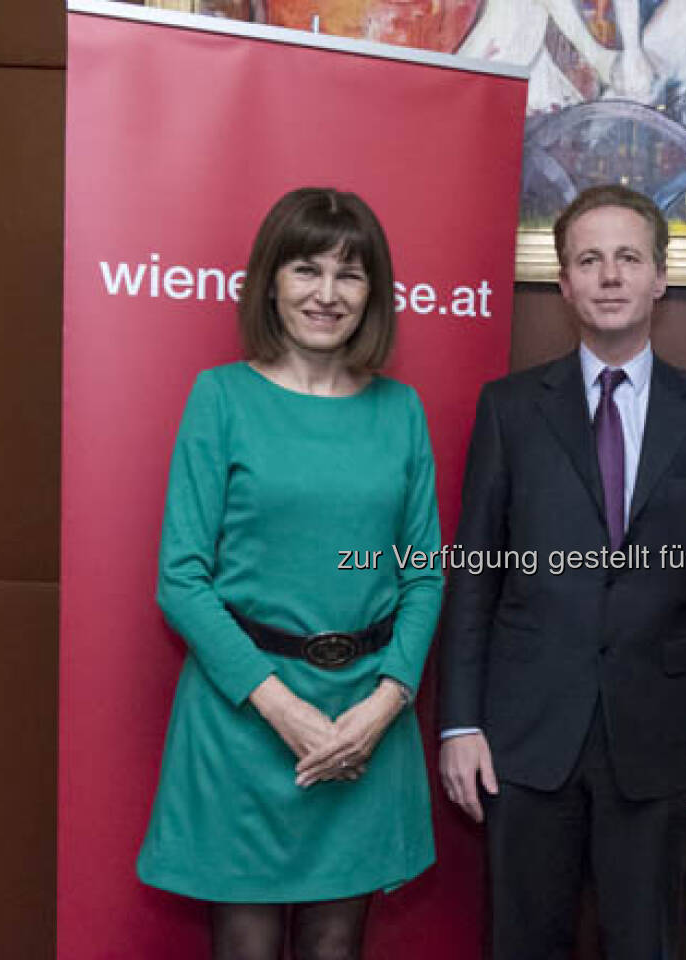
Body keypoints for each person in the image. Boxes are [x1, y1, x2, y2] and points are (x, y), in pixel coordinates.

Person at [437, 184, 686, 959]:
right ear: (565, 282)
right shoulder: (509, 409)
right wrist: (459, 721)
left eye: (628, 258)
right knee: (523, 942)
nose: (609, 276)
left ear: (660, 278)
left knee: (644, 943)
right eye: (589, 259)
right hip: (524, 736)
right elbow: (474, 575)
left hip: (660, 741)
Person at [136, 187, 443, 960]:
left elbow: (425, 575)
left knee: (336, 950)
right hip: (244, 722)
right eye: (307, 269)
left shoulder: (401, 412)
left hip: (365, 722)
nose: (327, 294)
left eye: (351, 274)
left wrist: (383, 706)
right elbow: (181, 579)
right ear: (270, 281)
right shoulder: (221, 398)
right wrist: (286, 712)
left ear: (374, 293)